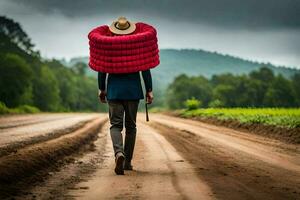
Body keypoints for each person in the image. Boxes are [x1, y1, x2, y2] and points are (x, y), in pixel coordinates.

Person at [98, 17, 154, 175]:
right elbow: (145, 68)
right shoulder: (136, 46)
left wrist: (101, 89)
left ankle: (119, 154)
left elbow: (102, 68)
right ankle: (127, 162)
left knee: (115, 125)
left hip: (114, 91)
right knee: (131, 127)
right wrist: (149, 89)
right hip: (132, 91)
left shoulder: (108, 45)